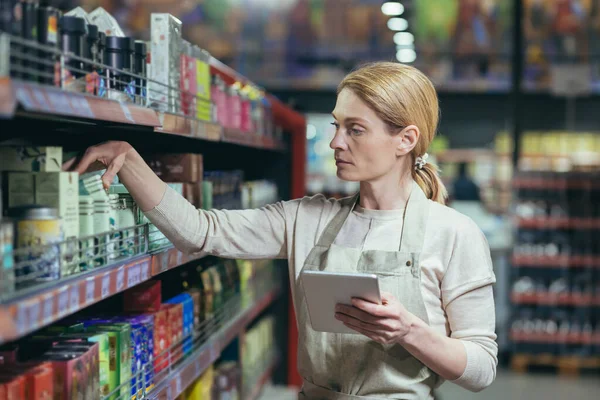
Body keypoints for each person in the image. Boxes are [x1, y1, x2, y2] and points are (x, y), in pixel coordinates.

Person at [66, 62, 497, 399]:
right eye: (336, 125)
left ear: (405, 140)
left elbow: (481, 368)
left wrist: (409, 332)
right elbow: (199, 231)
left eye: (355, 129)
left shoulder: (454, 233)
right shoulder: (305, 218)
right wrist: (130, 160)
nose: (335, 143)